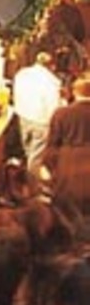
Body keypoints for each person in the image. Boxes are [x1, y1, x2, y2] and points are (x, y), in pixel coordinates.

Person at [12, 51, 65, 186]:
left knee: (28, 151)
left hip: (23, 116)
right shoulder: (51, 82)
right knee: (36, 157)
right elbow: (54, 107)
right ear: (51, 65)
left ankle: (25, 183)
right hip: (41, 121)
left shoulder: (22, 74)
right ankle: (33, 189)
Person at [48, 75, 90, 228]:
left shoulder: (61, 114)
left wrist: (52, 169)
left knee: (68, 211)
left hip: (68, 164)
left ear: (74, 92)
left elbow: (52, 147)